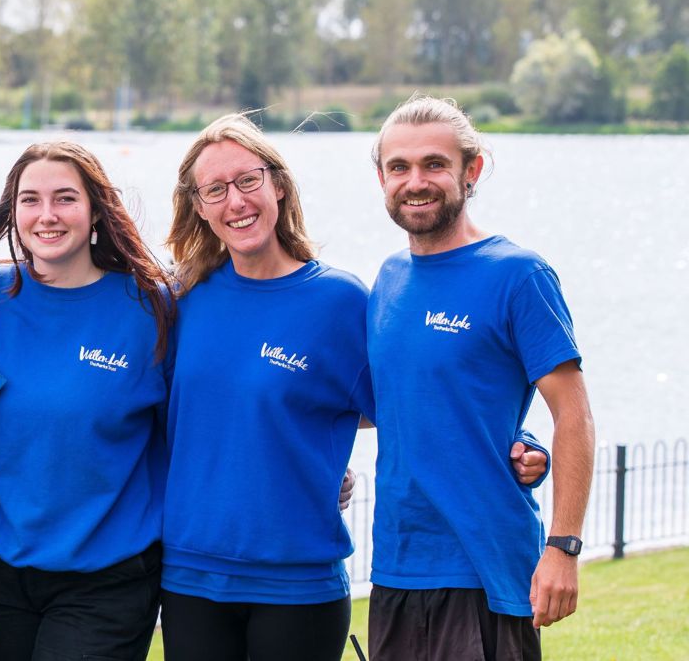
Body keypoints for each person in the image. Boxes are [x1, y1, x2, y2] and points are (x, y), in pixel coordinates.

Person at [158, 113, 552, 661]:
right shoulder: (179, 299)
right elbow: (136, 410)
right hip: (189, 578)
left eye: (249, 180)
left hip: (299, 584)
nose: (236, 201)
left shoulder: (339, 301)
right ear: (198, 206)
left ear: (277, 184)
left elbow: (409, 397)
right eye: (215, 190)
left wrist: (519, 440)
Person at [366, 96, 595, 660]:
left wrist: (563, 547)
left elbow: (575, 413)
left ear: (472, 170)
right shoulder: (389, 278)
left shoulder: (519, 275)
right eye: (399, 167)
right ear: (381, 178)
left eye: (434, 164)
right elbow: (405, 403)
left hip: (483, 569)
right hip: (396, 565)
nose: (415, 181)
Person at [0, 141, 176, 661]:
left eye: (65, 198)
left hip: (108, 578)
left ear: (95, 211)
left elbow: (203, 419)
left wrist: (312, 468)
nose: (47, 215)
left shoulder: (151, 308)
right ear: (13, 212)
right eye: (30, 199)